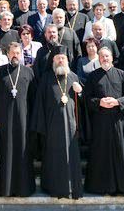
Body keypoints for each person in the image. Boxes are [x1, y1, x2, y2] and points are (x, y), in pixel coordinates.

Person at [33, 47, 83, 199]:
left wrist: (80, 92)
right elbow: (39, 104)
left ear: (67, 60)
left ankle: (71, 187)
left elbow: (82, 104)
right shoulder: (46, 78)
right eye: (58, 58)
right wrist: (42, 126)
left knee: (71, 157)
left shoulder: (74, 77)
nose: (61, 60)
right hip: (52, 126)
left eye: (63, 58)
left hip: (71, 126)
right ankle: (53, 188)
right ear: (53, 61)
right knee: (53, 157)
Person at [84, 46, 124, 196]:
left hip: (119, 121)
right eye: (102, 57)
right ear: (98, 59)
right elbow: (87, 98)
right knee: (102, 153)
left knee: (121, 151)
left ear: (112, 58)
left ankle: (122, 187)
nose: (105, 59)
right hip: (100, 122)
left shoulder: (122, 74)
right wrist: (99, 102)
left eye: (107, 56)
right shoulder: (93, 76)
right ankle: (102, 187)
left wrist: (117, 101)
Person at [0, 42, 36, 197]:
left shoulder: (29, 73)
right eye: (13, 52)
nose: (15, 55)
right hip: (4, 120)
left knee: (23, 152)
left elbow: (33, 99)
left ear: (21, 54)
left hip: (23, 120)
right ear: (8, 54)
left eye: (18, 52)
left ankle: (23, 188)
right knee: (6, 152)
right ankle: (7, 188)